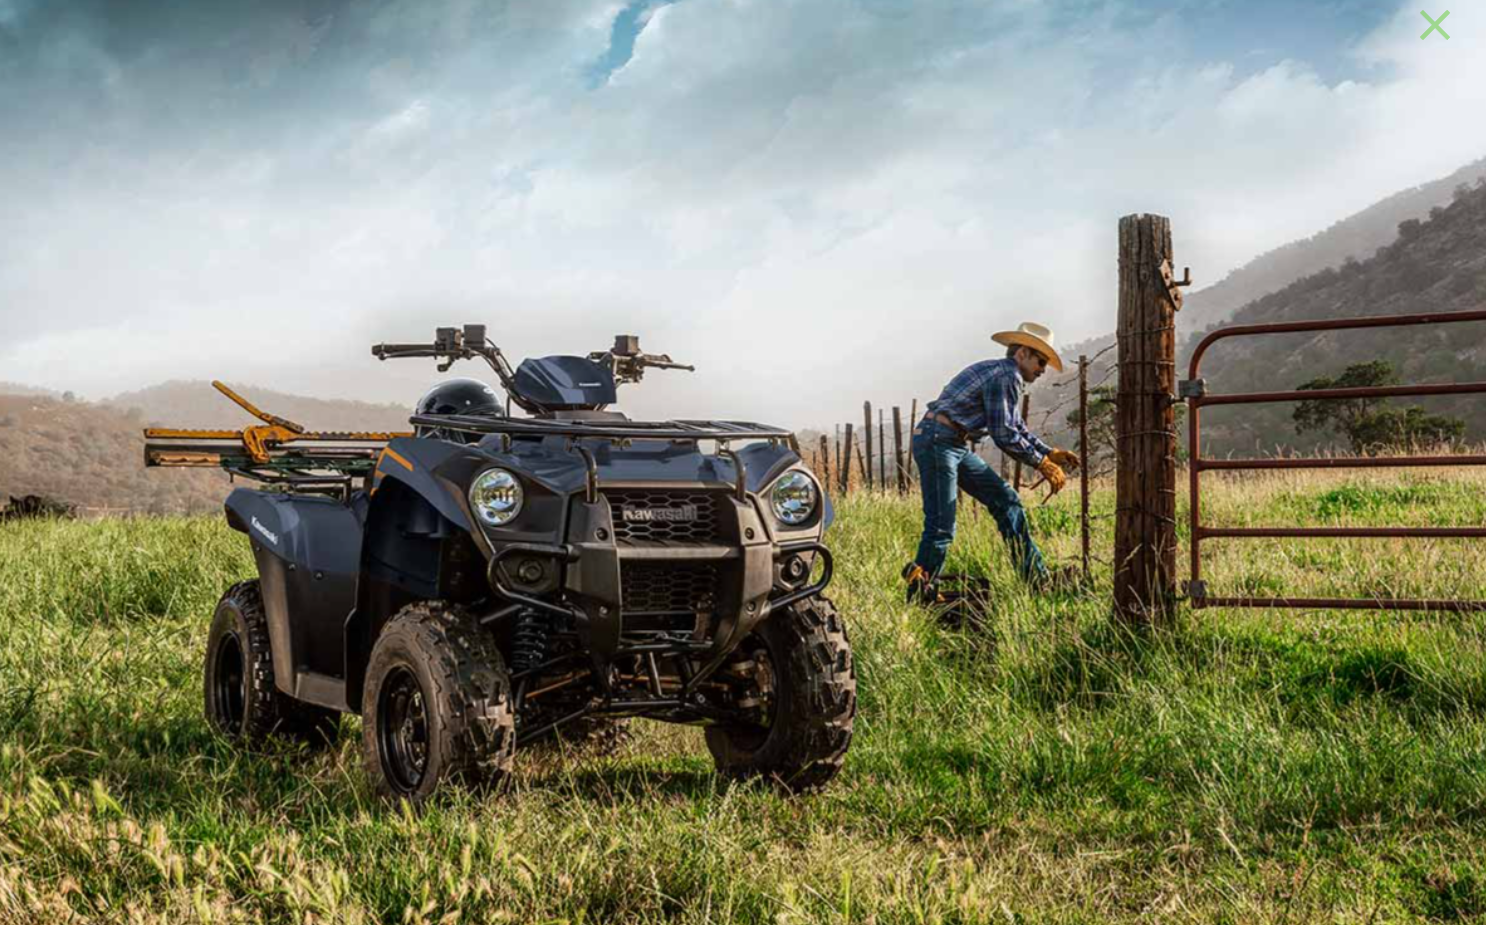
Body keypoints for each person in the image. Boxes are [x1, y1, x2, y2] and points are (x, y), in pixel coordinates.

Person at [903, 322, 1081, 601]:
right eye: (1040, 361)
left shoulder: (1003, 373)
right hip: (939, 440)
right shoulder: (1006, 376)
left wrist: (1048, 453)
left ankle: (1037, 581)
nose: (1043, 369)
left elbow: (1015, 426)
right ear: (1022, 353)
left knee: (1006, 499)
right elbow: (1003, 434)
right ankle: (920, 593)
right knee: (941, 525)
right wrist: (1041, 464)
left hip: (951, 442)